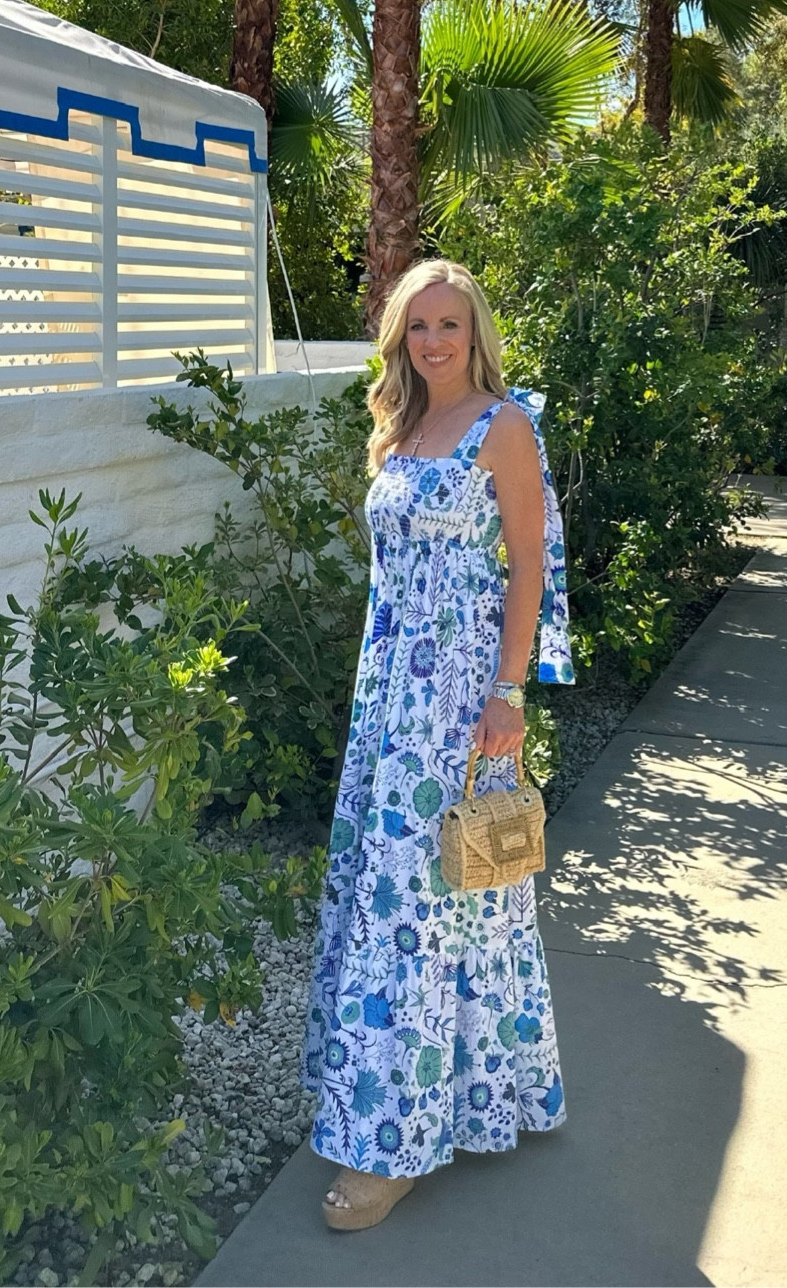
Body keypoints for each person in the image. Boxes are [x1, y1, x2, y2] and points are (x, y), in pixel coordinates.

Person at [300, 258, 575, 1231]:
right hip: (390, 698)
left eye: (449, 323)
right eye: (418, 326)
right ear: (399, 339)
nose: (433, 341)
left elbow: (532, 563)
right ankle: (467, 1092)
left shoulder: (505, 427)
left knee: (429, 894)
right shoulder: (400, 424)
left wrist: (511, 690)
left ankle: (395, 1141)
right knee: (419, 891)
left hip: (461, 697)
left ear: (475, 332)